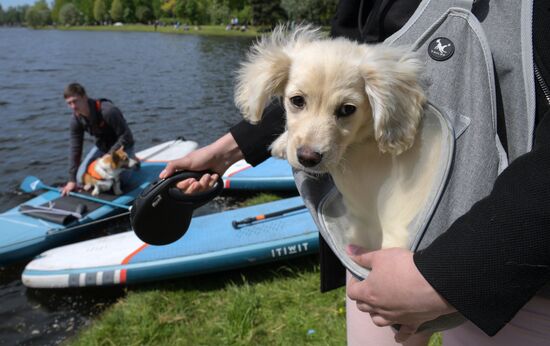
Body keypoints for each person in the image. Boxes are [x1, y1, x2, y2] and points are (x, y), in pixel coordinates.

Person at [160, 0, 550, 345]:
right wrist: (227, 150)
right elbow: (329, 64)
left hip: (513, 257)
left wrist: (460, 271)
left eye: (343, 111)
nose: (311, 146)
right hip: (369, 236)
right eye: (296, 103)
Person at [61, 83, 138, 196]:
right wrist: (71, 180)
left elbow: (126, 135)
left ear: (84, 97)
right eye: (69, 103)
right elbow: (75, 149)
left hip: (122, 147)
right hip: (102, 147)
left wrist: (111, 154)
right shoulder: (76, 120)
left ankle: (133, 161)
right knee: (80, 178)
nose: (73, 106)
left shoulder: (108, 111)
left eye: (75, 101)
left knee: (120, 182)